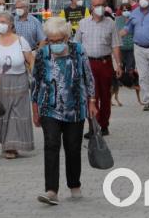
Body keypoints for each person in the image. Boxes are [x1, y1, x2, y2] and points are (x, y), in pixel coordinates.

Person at [33, 17, 98, 206]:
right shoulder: (42, 53)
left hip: (75, 108)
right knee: (51, 145)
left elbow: (88, 77)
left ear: (66, 37)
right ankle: (51, 190)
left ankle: (74, 184)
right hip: (49, 107)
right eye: (51, 40)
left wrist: (92, 101)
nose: (54, 44)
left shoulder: (78, 50)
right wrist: (35, 109)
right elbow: (35, 82)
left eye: (58, 40)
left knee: (73, 147)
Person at [0, 11, 34, 159]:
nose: (1, 24)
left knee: (16, 114)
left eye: (4, 22)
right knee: (2, 114)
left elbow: (31, 60)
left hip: (19, 82)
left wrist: (33, 75)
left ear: (11, 24)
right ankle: (6, 144)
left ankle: (11, 147)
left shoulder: (21, 41)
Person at [74, 0, 121, 137]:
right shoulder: (83, 23)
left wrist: (118, 64)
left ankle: (104, 124)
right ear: (91, 7)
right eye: (96, 5)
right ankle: (93, 126)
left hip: (105, 63)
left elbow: (115, 45)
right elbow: (77, 45)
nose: (99, 7)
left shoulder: (111, 23)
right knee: (90, 95)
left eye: (102, 4)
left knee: (105, 96)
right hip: (88, 64)